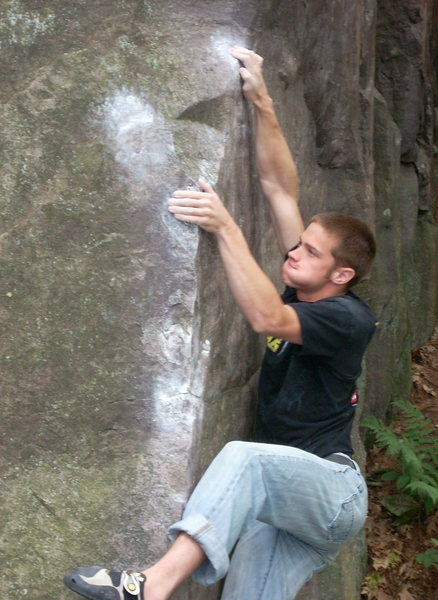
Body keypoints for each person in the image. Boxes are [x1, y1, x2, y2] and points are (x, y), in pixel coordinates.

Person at [64, 46, 377, 600]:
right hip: (282, 509)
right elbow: (280, 187)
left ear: (342, 273)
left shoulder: (348, 318)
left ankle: (150, 587)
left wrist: (226, 229)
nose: (295, 253)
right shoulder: (307, 286)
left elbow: (265, 317)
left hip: (331, 492)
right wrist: (262, 101)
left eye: (310, 251)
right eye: (298, 244)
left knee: (244, 459)